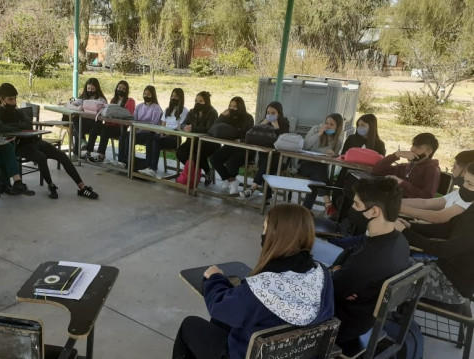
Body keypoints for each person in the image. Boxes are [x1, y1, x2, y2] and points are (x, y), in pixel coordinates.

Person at [172, 204, 334, 359]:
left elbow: (219, 306)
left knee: (190, 325)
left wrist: (214, 278)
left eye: (264, 229)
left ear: (275, 236)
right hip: (298, 353)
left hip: (246, 354)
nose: (262, 235)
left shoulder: (260, 289)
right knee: (219, 322)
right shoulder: (322, 274)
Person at [330, 177, 410, 355]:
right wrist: (338, 269)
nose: (352, 209)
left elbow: (330, 289)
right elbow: (352, 249)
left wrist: (336, 275)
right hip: (364, 318)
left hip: (342, 325)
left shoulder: (367, 261)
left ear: (374, 211)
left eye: (357, 205)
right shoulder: (398, 240)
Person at [0, 83, 99, 199]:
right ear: (1, 99)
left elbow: (28, 124)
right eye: (10, 99)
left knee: (62, 155)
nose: (14, 102)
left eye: (15, 98)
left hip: (32, 141)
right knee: (41, 157)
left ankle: (82, 187)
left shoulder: (17, 111)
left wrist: (13, 126)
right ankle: (51, 185)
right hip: (17, 146)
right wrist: (19, 126)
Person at [395, 165, 474, 306]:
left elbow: (444, 250)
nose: (464, 187)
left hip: (452, 285)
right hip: (441, 269)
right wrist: (410, 226)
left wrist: (406, 233)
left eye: (470, 184)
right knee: (391, 262)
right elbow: (445, 229)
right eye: (465, 181)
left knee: (390, 278)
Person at [399, 150, 474, 223]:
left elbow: (439, 217)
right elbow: (426, 203)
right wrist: (395, 201)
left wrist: (399, 208)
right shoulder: (459, 192)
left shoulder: (468, 197)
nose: (451, 170)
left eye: (454, 167)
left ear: (466, 170)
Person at [239, 101, 290, 199]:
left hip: (277, 158)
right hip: (263, 155)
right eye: (268, 112)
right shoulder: (264, 121)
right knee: (266, 167)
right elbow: (252, 134)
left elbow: (282, 140)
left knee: (266, 165)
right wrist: (262, 124)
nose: (270, 115)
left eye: (273, 113)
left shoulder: (284, 123)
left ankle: (253, 188)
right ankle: (267, 197)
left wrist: (276, 127)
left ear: (279, 113)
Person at [372, 132, 440, 199]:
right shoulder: (409, 165)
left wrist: (401, 183)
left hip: (407, 206)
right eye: (413, 145)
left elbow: (427, 196)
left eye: (418, 147)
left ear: (428, 152)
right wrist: (396, 155)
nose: (412, 149)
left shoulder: (431, 169)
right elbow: (377, 171)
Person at [208, 97, 254, 194]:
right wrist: (221, 116)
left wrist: (231, 131)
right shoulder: (228, 118)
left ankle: (230, 180)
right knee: (214, 158)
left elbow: (242, 133)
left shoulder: (248, 118)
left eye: (235, 107)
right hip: (230, 146)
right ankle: (231, 180)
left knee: (231, 163)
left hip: (244, 149)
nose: (231, 109)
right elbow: (214, 128)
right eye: (230, 106)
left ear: (240, 108)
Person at [299, 113, 344, 211]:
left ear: (338, 127)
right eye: (326, 123)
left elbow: (333, 159)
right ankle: (328, 203)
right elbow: (305, 146)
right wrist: (318, 134)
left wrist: (334, 155)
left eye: (332, 124)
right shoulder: (316, 129)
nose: (327, 125)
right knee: (319, 173)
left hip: (320, 170)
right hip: (306, 165)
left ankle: (306, 210)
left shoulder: (338, 142)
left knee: (317, 178)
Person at [138, 88, 188, 177]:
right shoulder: (167, 110)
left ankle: (153, 169)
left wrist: (166, 134)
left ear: (181, 98)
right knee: (150, 139)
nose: (173, 98)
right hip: (164, 135)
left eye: (176, 96)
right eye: (172, 96)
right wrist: (161, 135)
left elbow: (180, 128)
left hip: (174, 138)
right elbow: (163, 125)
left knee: (156, 142)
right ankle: (148, 166)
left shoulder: (184, 111)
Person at [86, 80, 135, 163]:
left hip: (120, 128)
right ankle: (88, 152)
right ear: (116, 88)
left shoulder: (130, 101)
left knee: (106, 130)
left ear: (126, 91)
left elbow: (128, 114)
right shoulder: (113, 100)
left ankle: (101, 156)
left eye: (123, 89)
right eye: (119, 88)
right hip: (109, 124)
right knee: (96, 126)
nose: (121, 90)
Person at [176, 91, 219, 185]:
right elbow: (184, 123)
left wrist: (193, 128)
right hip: (193, 141)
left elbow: (209, 129)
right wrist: (184, 127)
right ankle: (192, 172)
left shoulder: (212, 113)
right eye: (196, 101)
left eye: (201, 101)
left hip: (208, 143)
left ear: (206, 102)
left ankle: (207, 171)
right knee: (180, 152)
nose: (197, 103)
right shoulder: (192, 112)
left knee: (196, 155)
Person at [116, 85, 163, 168]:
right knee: (123, 136)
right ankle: (121, 160)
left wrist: (140, 127)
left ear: (153, 95)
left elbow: (154, 124)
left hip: (149, 133)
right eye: (144, 94)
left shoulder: (156, 108)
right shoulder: (139, 106)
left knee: (129, 138)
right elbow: (134, 119)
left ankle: (127, 161)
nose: (146, 96)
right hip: (137, 131)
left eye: (148, 94)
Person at [67, 77, 107, 157]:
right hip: (85, 121)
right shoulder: (83, 97)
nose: (90, 91)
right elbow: (70, 104)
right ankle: (82, 141)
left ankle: (88, 152)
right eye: (88, 89)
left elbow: (104, 109)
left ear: (97, 88)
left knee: (90, 130)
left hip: (96, 122)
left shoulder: (101, 99)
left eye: (92, 89)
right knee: (75, 120)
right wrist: (76, 107)